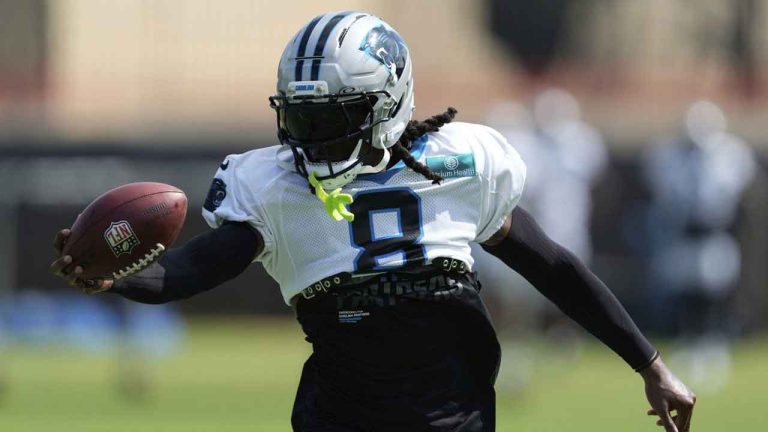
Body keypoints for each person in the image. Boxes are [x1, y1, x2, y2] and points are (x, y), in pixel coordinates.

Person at [50, 12, 695, 432]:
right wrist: (114, 277)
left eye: (330, 119)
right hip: (344, 413)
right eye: (300, 118)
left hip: (451, 411)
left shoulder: (460, 167)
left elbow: (551, 265)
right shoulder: (276, 185)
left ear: (388, 104)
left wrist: (649, 362)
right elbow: (194, 268)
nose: (311, 138)